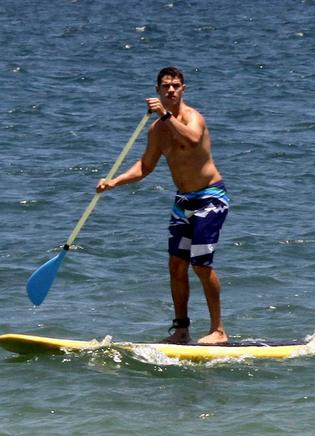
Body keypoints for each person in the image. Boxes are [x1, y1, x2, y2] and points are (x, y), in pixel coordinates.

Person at [96, 67, 230, 345]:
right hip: (183, 200)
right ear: (157, 90)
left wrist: (165, 114)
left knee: (201, 265)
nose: (171, 90)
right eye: (166, 86)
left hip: (210, 197)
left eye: (176, 86)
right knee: (176, 265)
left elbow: (191, 140)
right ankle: (181, 330)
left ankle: (218, 329)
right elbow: (145, 166)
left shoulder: (194, 118)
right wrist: (115, 182)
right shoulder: (157, 130)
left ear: (183, 89)